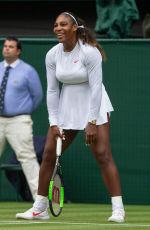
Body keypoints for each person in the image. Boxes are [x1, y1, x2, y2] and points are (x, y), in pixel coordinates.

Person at [16, 12, 125, 222]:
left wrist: (91, 121)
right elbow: (52, 91)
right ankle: (40, 208)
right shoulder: (52, 54)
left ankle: (118, 209)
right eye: (56, 25)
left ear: (74, 27)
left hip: (95, 105)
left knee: (103, 155)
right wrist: (54, 122)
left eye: (63, 24)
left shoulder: (90, 52)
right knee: (48, 154)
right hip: (67, 107)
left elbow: (96, 89)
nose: (58, 28)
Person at [0, 36, 43, 201]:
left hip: (19, 120)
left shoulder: (28, 71)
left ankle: (40, 201)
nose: (7, 49)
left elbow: (37, 96)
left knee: (27, 158)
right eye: (5, 46)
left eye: (11, 47)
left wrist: (23, 111)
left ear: (18, 51)